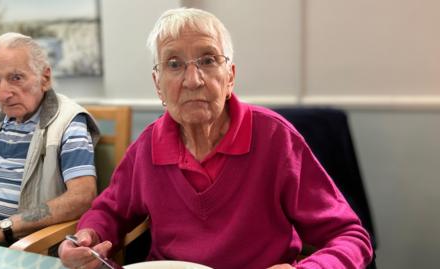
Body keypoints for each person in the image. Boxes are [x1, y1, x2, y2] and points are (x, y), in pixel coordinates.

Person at [59, 8, 373, 269]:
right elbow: (110, 210)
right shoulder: (148, 145)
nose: (193, 80)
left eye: (208, 60)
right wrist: (87, 235)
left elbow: (351, 237)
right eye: (174, 64)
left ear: (230, 76)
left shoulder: (275, 138)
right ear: (158, 85)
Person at [0, 32, 100, 245]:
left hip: (16, 245)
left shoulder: (67, 122)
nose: (4, 93)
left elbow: (82, 197)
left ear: (45, 78)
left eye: (16, 78)